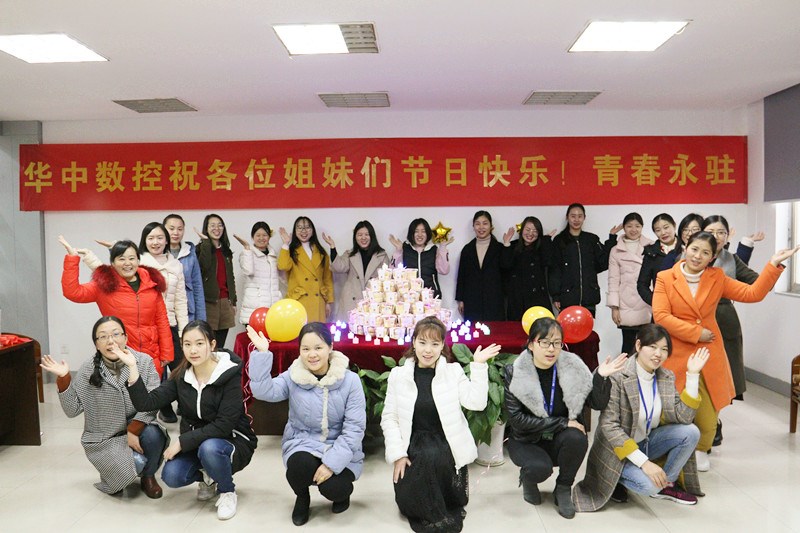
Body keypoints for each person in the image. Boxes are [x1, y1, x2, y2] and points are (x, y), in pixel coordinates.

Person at [653, 231, 799, 471]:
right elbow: (661, 316)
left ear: (712, 257)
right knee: (672, 406)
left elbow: (752, 293)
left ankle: (701, 448)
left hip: (709, 353)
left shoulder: (717, 277)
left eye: (705, 253)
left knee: (709, 409)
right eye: (694, 249)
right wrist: (696, 333)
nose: (698, 256)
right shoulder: (665, 277)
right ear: (685, 247)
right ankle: (671, 448)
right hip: (676, 351)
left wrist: (773, 264)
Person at [121, 320, 257, 520]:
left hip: (232, 440)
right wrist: (132, 367)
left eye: (199, 343)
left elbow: (224, 424)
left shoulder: (229, 374)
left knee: (210, 448)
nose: (193, 350)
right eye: (187, 344)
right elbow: (146, 403)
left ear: (212, 344)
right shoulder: (181, 376)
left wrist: (182, 442)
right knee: (171, 475)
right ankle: (209, 478)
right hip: (197, 443)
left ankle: (227, 491)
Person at [381, 316, 501, 533]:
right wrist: (398, 454)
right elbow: (389, 417)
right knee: (420, 468)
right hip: (412, 441)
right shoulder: (399, 376)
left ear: (442, 346)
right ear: (413, 342)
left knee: (433, 456)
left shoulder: (453, 372)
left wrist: (478, 366)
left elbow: (476, 403)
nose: (428, 350)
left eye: (435, 344)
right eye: (422, 342)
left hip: (445, 439)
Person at [573, 325, 709, 511]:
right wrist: (644, 463)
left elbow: (683, 418)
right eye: (652, 347)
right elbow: (609, 426)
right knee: (649, 486)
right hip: (617, 451)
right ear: (638, 346)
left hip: (646, 443)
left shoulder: (665, 376)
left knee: (690, 432)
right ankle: (621, 479)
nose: (658, 354)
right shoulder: (618, 376)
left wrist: (692, 375)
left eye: (664, 349)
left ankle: (666, 484)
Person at [503, 317, 626, 519]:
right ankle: (529, 480)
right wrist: (562, 422)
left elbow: (597, 403)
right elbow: (518, 420)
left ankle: (563, 488)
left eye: (557, 343)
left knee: (577, 438)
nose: (551, 349)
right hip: (526, 439)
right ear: (531, 344)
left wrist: (601, 377)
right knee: (539, 468)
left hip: (558, 438)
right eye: (545, 342)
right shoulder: (516, 372)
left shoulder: (572, 367)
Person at [248, 322, 366, 526]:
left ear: (330, 347)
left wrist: (331, 464)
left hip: (339, 446)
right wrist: (262, 354)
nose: (312, 354)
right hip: (303, 442)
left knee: (334, 488)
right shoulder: (293, 376)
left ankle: (341, 495)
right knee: (299, 466)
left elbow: (354, 429)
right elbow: (264, 391)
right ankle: (302, 497)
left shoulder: (350, 381)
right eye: (306, 349)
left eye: (318, 348)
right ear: (300, 351)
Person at [40, 316, 167, 498]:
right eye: (103, 337)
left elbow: (154, 402)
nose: (111, 341)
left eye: (116, 334)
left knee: (154, 435)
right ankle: (116, 473)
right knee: (135, 465)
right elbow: (72, 410)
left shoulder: (143, 361)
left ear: (125, 338)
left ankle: (148, 476)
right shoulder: (87, 369)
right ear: (97, 344)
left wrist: (133, 430)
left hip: (138, 427)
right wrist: (64, 379)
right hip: (105, 437)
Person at [60, 236, 173, 375]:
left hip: (151, 357)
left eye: (132, 258)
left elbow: (162, 321)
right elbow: (72, 292)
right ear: (113, 263)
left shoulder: (152, 284)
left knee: (150, 389)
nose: (127, 263)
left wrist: (167, 353)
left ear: (138, 261)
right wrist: (72, 258)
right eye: (121, 259)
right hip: (118, 357)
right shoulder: (104, 286)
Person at [138, 221, 189, 423]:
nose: (155, 242)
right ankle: (163, 406)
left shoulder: (176, 265)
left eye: (160, 238)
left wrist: (184, 331)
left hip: (171, 324)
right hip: (149, 327)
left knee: (180, 367)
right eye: (151, 238)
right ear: (144, 241)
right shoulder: (139, 263)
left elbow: (181, 300)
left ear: (166, 240)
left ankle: (185, 403)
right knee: (154, 369)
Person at [549, 203, 616, 317]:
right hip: (567, 298)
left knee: (586, 328)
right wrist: (555, 296)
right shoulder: (559, 240)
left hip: (589, 298)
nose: (576, 219)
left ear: (584, 218)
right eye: (573, 216)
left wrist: (612, 239)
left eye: (580, 216)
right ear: (567, 217)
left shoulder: (591, 239)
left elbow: (603, 263)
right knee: (567, 328)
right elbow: (555, 270)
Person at [323, 220, 390, 321]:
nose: (363, 238)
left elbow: (387, 279)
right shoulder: (350, 254)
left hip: (373, 302)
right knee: (350, 329)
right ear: (355, 237)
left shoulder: (382, 255)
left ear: (372, 236)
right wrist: (332, 247)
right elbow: (338, 267)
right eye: (359, 235)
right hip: (351, 301)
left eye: (366, 234)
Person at [607, 212, 654, 355]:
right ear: (624, 228)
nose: (633, 229)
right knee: (628, 348)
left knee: (648, 346)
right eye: (629, 226)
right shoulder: (615, 250)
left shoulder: (652, 246)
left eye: (637, 226)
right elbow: (613, 280)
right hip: (626, 304)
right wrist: (614, 307)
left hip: (647, 301)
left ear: (642, 227)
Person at [278, 216, 334, 323]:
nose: (304, 231)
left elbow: (327, 279)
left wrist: (328, 302)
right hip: (298, 301)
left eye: (307, 227)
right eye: (300, 228)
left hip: (319, 302)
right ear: (295, 231)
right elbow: (283, 266)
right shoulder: (290, 250)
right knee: (299, 331)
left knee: (317, 332)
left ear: (312, 231)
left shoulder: (322, 252)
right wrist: (285, 244)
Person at [455, 210, 506, 321]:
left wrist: (507, 245)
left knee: (495, 329)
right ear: (473, 227)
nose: (481, 227)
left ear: (491, 226)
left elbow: (506, 272)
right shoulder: (467, 249)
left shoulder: (499, 248)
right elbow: (462, 275)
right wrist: (460, 300)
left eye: (485, 223)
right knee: (474, 330)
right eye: (477, 224)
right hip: (472, 300)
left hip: (494, 300)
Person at [195, 214, 237, 348]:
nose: (216, 228)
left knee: (220, 346)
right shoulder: (200, 249)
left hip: (225, 302)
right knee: (208, 344)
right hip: (208, 302)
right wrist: (206, 243)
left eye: (220, 225)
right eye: (212, 225)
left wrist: (233, 301)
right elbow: (204, 267)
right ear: (206, 228)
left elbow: (230, 277)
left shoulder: (226, 251)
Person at [501, 216, 553, 321]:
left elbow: (548, 261)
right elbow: (505, 265)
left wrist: (546, 241)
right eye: (528, 230)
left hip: (538, 298)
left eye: (535, 231)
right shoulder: (513, 246)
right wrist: (506, 244)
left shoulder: (541, 247)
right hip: (517, 299)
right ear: (522, 230)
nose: (530, 234)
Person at [389, 218, 453, 299]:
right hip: (408, 297)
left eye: (423, 231)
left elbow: (444, 270)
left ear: (427, 233)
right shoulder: (404, 248)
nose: (420, 235)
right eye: (416, 231)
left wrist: (442, 248)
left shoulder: (434, 249)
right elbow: (392, 272)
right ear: (412, 233)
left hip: (431, 297)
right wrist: (398, 251)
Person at [234, 221, 282, 325]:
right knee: (254, 336)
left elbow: (282, 278)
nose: (261, 238)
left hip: (272, 309)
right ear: (253, 237)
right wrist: (247, 248)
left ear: (269, 237)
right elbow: (248, 271)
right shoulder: (246, 253)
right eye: (258, 235)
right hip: (254, 309)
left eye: (264, 235)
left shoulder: (273, 256)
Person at [164, 214, 206, 322]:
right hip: (164, 312)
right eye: (171, 229)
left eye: (180, 229)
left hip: (187, 311)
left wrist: (201, 320)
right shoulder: (158, 252)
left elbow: (197, 286)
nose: (176, 233)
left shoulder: (190, 252)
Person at [637, 213, 678, 307]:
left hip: (685, 308)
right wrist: (656, 302)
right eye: (658, 230)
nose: (663, 233)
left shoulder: (686, 248)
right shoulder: (651, 253)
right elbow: (642, 284)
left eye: (666, 227)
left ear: (674, 225)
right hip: (662, 309)